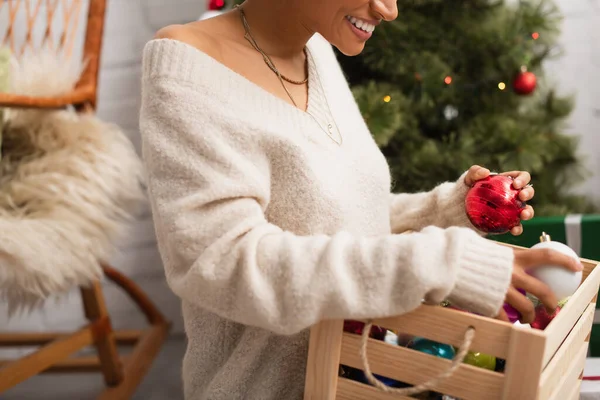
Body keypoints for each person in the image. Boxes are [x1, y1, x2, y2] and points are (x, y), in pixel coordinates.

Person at [139, 1, 583, 399]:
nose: (388, 9)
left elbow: (344, 217)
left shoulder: (317, 47)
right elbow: (222, 264)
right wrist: (441, 262)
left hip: (363, 378)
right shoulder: (190, 69)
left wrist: (444, 210)